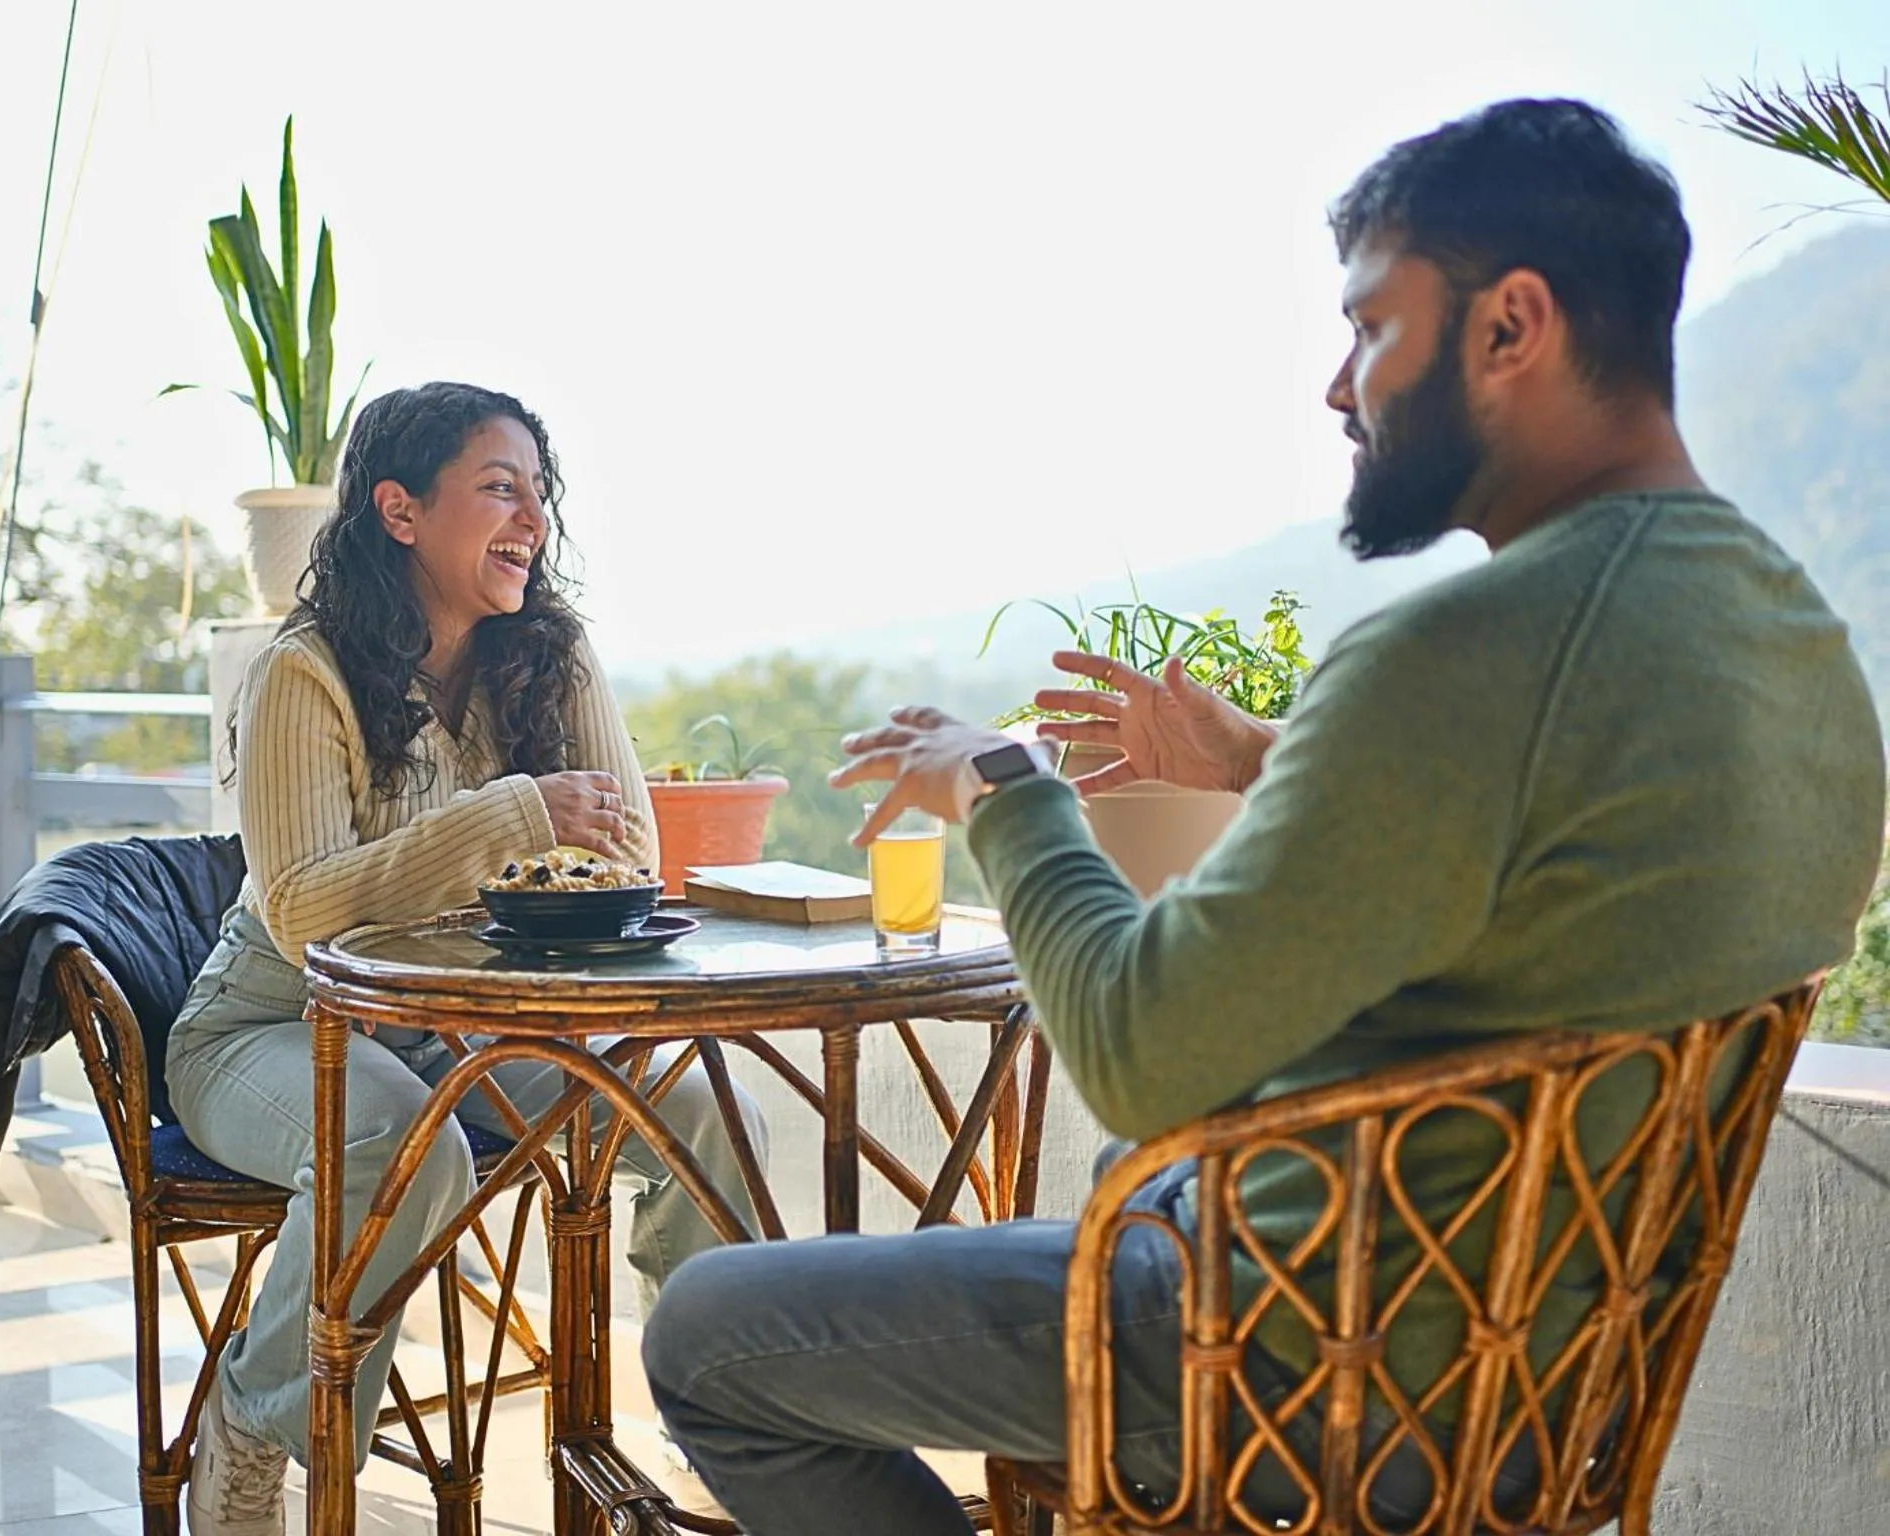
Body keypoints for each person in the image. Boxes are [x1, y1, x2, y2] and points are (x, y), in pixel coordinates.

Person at [640, 98, 1887, 1534]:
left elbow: (1136, 1048)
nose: (1339, 389)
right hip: (1546, 1388)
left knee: (709, 1335)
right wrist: (1269, 758)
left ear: (1512, 326)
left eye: (1372, 328)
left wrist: (1008, 790)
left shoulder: (1460, 653)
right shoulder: (1795, 645)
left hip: (1312, 1348)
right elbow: (1571, 855)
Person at [167, 381, 769, 1536]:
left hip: (468, 1026)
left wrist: (537, 831)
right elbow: (301, 912)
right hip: (272, 1023)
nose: (532, 520)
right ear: (399, 511)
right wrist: (511, 818)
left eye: (538, 494)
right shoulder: (305, 672)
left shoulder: (551, 654)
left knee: (694, 1106)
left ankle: (729, 1423)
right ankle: (250, 1424)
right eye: (499, 488)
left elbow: (627, 846)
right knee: (402, 1142)